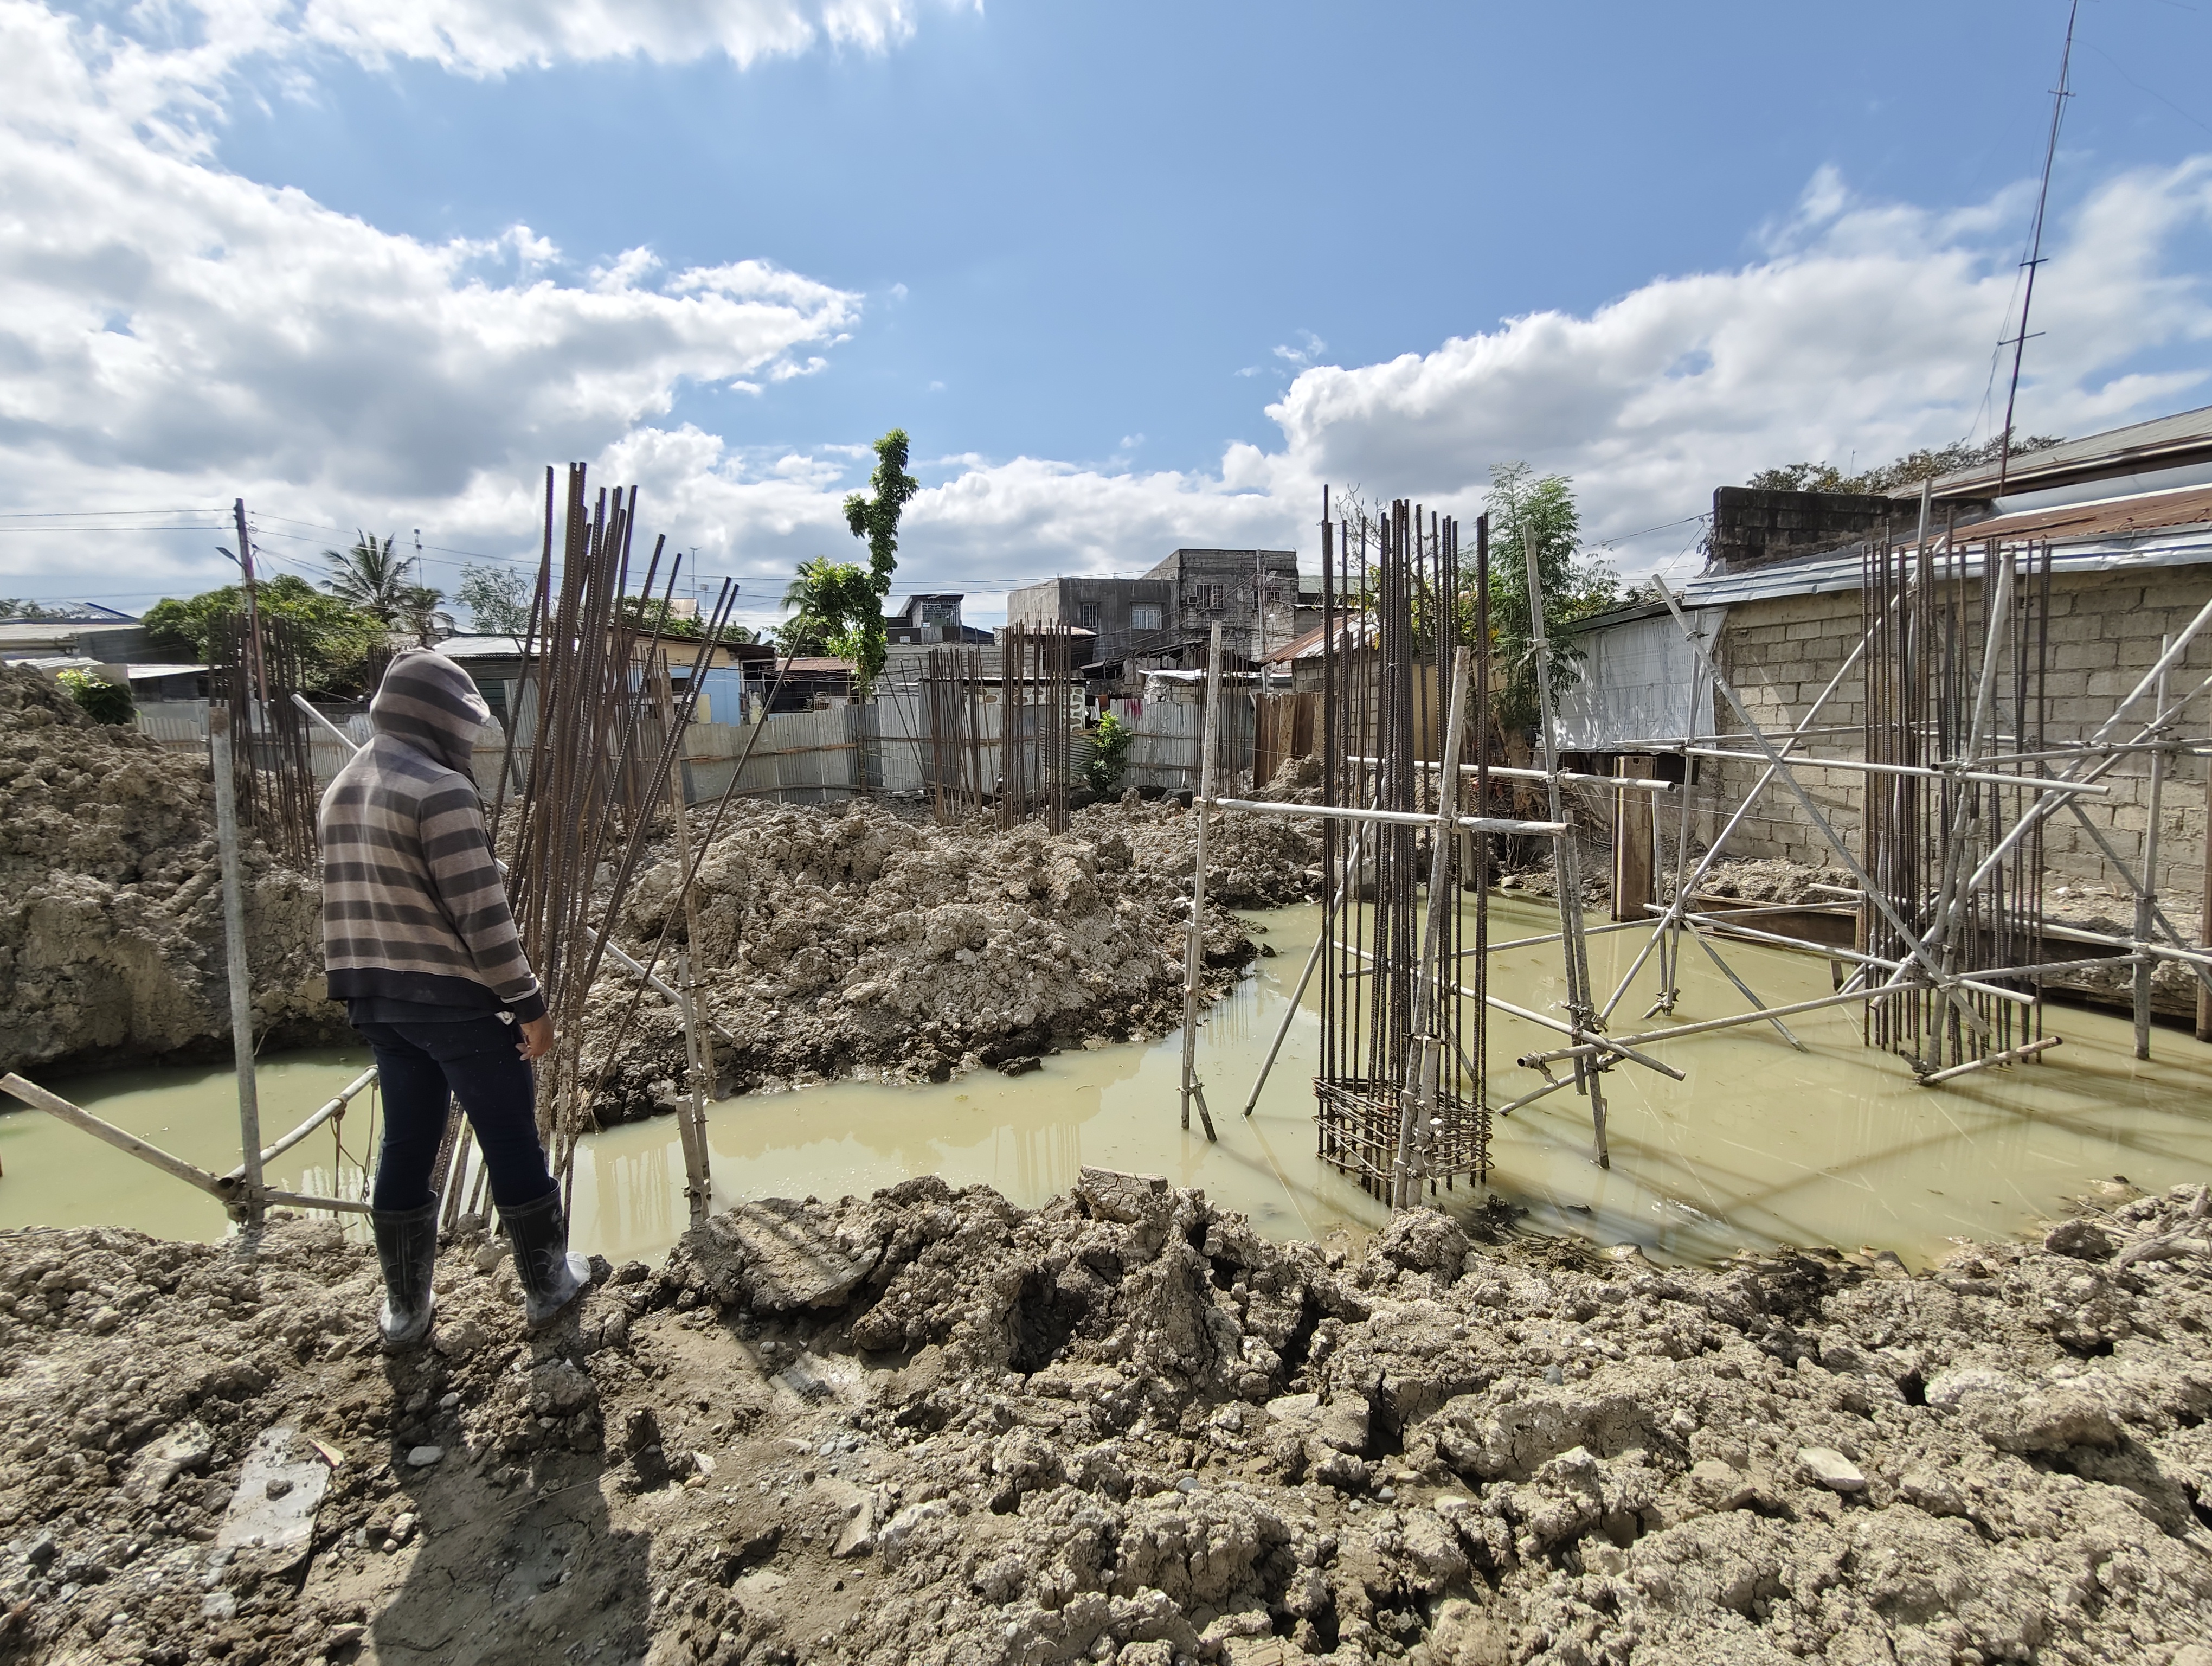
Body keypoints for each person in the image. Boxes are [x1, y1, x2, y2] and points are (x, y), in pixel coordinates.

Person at [319, 648, 590, 1348]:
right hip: (453, 1002)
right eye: (463, 725)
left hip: (375, 1000)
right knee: (508, 1134)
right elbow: (482, 915)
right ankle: (548, 1284)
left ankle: (406, 1312)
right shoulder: (439, 789)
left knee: (408, 1140)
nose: (469, 741)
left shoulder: (341, 788)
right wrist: (528, 1002)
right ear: (434, 718)